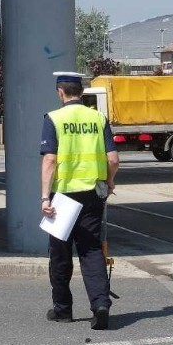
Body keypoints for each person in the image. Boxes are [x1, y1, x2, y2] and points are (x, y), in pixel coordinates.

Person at [40, 72, 120, 330]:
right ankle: (100, 304)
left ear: (60, 92)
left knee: (60, 252)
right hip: (93, 194)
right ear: (81, 92)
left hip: (63, 195)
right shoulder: (98, 118)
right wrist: (109, 182)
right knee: (91, 249)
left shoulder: (53, 118)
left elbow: (50, 160)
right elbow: (113, 159)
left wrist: (44, 196)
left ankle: (63, 310)